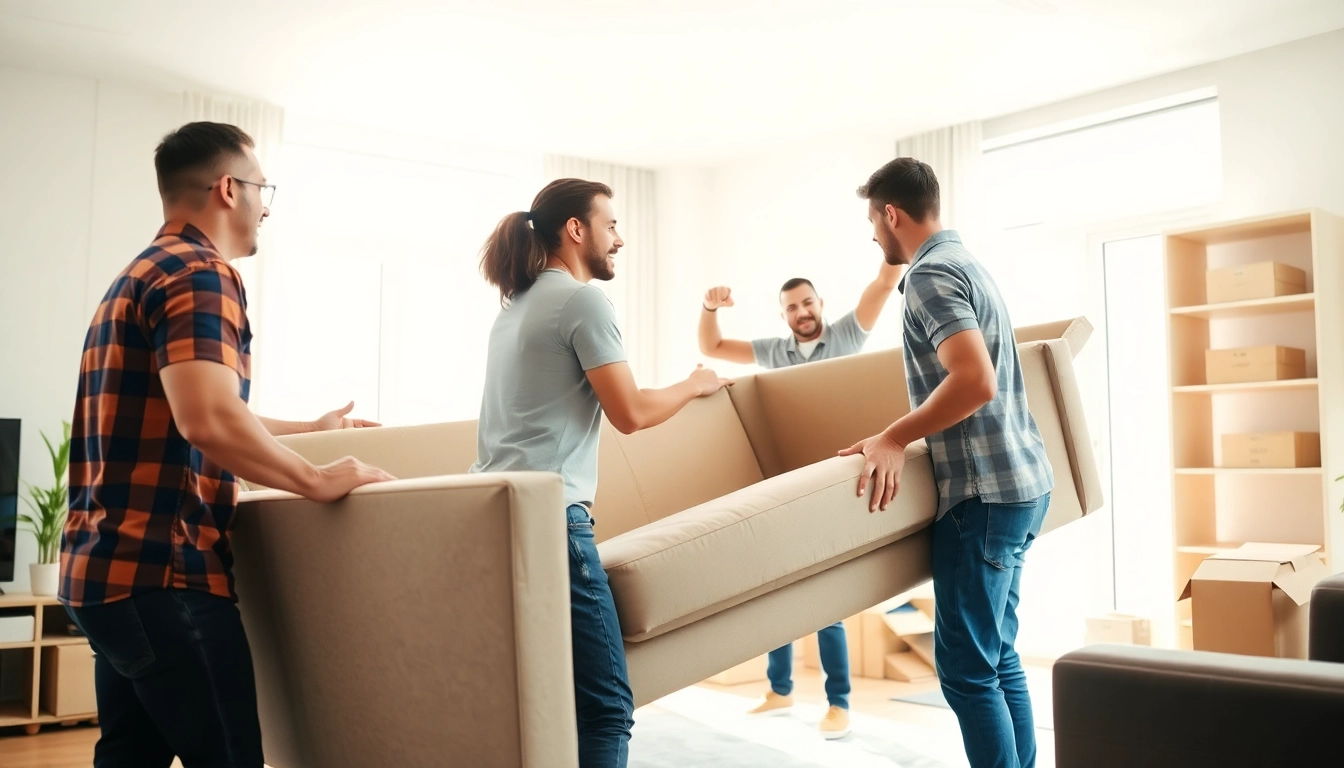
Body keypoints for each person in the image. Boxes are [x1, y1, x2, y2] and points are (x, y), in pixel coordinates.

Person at [60, 121, 395, 768]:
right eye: (262, 188)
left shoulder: (137, 276)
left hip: (105, 575)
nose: (265, 205)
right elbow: (208, 420)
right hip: (166, 576)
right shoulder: (201, 274)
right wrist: (317, 478)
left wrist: (309, 430)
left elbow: (198, 408)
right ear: (227, 188)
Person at [471, 178, 730, 768]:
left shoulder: (515, 307)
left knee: (543, 698)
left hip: (494, 517)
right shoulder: (580, 301)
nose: (620, 239)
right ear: (576, 230)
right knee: (607, 705)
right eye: (611, 225)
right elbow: (630, 413)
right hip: (551, 522)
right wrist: (695, 383)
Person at [841, 158, 1053, 768]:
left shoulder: (930, 275)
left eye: (873, 221)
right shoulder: (969, 263)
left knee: (965, 670)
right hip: (1022, 485)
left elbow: (974, 381)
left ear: (891, 214)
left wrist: (890, 437)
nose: (874, 236)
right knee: (998, 655)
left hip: (983, 496)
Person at [697, 263, 902, 739]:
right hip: (789, 482)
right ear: (784, 315)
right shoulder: (775, 351)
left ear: (820, 305)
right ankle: (781, 689)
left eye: (808, 303)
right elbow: (712, 347)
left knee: (824, 602)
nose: (801, 312)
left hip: (838, 483)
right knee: (779, 588)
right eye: (792, 307)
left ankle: (839, 702)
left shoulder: (849, 334)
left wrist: (892, 237)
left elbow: (884, 283)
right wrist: (709, 307)